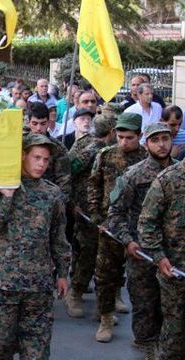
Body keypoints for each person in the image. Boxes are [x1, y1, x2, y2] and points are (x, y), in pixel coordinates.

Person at [0, 133, 70, 359]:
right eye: (36, 157)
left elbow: (58, 237)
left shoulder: (52, 194)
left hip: (38, 285)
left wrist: (62, 273)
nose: (41, 164)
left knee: (37, 350)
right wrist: (7, 197)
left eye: (46, 160)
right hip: (3, 283)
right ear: (22, 156)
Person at [108, 123, 173, 358]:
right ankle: (147, 349)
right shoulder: (133, 175)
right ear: (147, 144)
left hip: (171, 255)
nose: (162, 144)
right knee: (145, 309)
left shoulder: (178, 173)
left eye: (165, 138)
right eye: (156, 140)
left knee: (170, 312)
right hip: (142, 254)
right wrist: (128, 242)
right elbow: (114, 214)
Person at [88, 112, 147, 342]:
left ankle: (143, 332)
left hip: (139, 229)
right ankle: (104, 319)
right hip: (109, 226)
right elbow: (94, 186)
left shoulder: (147, 159)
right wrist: (95, 215)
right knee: (105, 274)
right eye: (120, 136)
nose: (123, 142)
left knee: (140, 281)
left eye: (129, 138)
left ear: (139, 136)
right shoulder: (106, 156)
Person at [65, 113, 117, 319]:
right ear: (111, 131)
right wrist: (71, 202)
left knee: (108, 258)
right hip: (86, 209)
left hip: (109, 210)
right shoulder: (90, 147)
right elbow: (69, 171)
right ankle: (76, 292)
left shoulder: (114, 150)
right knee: (87, 251)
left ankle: (105, 305)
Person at [137, 143, 185, 360]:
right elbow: (147, 223)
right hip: (176, 271)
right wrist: (159, 256)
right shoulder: (169, 180)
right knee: (175, 332)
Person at [27, 102, 71, 201]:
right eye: (35, 124)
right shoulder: (20, 144)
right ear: (29, 123)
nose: (38, 128)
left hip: (47, 199)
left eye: (43, 124)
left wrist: (59, 204)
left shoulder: (58, 148)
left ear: (48, 123)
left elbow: (64, 181)